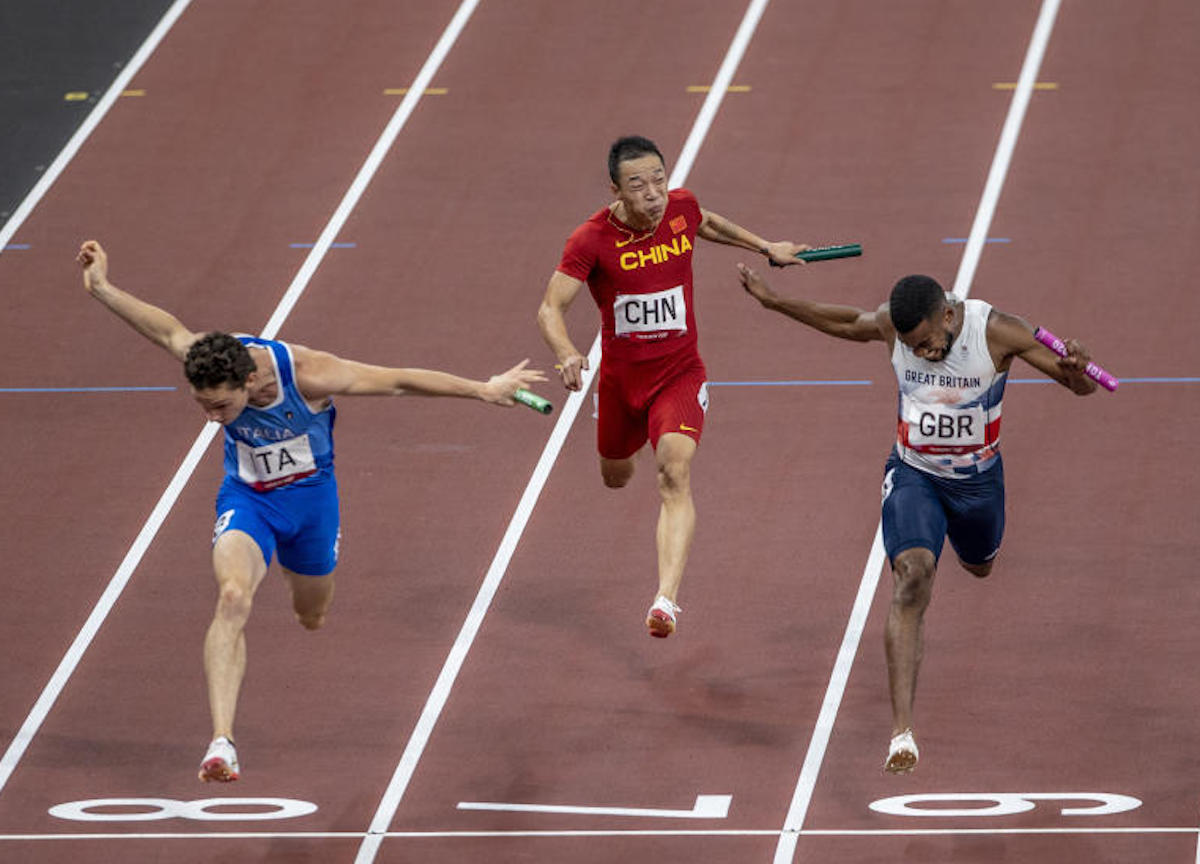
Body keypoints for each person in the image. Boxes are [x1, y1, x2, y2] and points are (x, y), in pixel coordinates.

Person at [76, 240, 546, 782]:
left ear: (249, 381)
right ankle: (222, 743)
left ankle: (302, 587)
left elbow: (398, 380)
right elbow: (167, 330)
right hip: (248, 501)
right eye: (202, 406)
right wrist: (103, 287)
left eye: (221, 407)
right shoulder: (209, 360)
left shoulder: (309, 374)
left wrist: (483, 390)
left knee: (312, 615)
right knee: (232, 596)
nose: (212, 418)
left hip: (312, 505)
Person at [739, 263, 1099, 773]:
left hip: (977, 486)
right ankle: (902, 732)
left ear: (949, 316)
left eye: (930, 343)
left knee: (980, 566)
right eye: (914, 348)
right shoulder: (896, 327)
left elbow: (1080, 387)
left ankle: (971, 550)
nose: (925, 354)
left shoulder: (999, 331)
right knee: (911, 579)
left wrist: (1076, 371)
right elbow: (846, 322)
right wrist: (774, 301)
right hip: (915, 476)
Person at [536, 135, 809, 638]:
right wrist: (567, 353)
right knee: (615, 476)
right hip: (621, 384)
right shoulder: (590, 240)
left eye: (659, 180)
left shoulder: (680, 210)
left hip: (679, 375)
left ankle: (665, 600)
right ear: (616, 189)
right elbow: (550, 308)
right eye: (638, 185)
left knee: (673, 474)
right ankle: (637, 438)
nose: (654, 194)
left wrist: (767, 245)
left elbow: (705, 221)